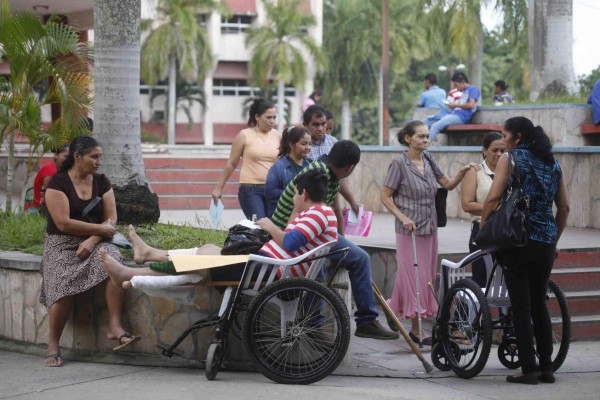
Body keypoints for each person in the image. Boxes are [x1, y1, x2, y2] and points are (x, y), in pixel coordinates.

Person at [100, 170, 338, 285]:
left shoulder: (317, 213)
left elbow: (290, 242)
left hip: (268, 270)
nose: (293, 197)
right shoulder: (318, 213)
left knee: (198, 264)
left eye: (296, 192)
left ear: (304, 193)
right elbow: (292, 240)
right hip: (266, 265)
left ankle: (131, 274)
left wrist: (268, 225)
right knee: (207, 248)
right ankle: (149, 254)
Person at [272, 140, 399, 340]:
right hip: (296, 231)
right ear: (350, 168)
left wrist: (347, 219)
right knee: (319, 264)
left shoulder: (327, 171)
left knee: (360, 258)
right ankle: (313, 324)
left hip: (312, 229)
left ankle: (366, 321)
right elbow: (307, 216)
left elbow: (336, 201)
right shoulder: (319, 174)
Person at [481, 117, 569, 384]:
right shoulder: (553, 163)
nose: (503, 140)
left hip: (518, 240)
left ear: (517, 138)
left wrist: (484, 226)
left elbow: (494, 197)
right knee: (539, 304)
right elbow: (564, 208)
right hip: (545, 242)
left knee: (520, 306)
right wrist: (553, 239)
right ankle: (547, 368)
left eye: (505, 136)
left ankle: (528, 370)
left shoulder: (512, 158)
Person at [40, 136, 138, 367]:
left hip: (94, 241)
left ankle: (115, 327)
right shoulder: (58, 184)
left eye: (100, 157)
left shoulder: (102, 181)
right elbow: (63, 223)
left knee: (113, 259)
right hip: (60, 244)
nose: (98, 162)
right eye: (94, 157)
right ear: (77, 157)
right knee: (62, 280)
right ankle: (53, 344)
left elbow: (111, 218)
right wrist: (101, 229)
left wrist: (94, 238)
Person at [380, 120, 478, 345]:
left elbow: (448, 184)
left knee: (425, 278)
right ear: (408, 139)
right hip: (409, 231)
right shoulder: (399, 164)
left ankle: (390, 305)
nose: (426, 140)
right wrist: (403, 217)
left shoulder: (429, 160)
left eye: (427, 136)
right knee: (413, 277)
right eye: (420, 136)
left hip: (430, 227)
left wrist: (463, 172)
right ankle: (417, 331)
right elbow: (385, 196)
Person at [212, 98, 280, 220]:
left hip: (273, 189)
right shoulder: (244, 135)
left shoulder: (278, 135)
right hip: (251, 190)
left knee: (273, 226)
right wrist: (219, 188)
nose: (272, 121)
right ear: (257, 117)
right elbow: (231, 163)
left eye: (274, 117)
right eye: (268, 117)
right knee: (258, 225)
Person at [460, 132, 504, 287]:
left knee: (506, 283)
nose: (499, 154)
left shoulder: (510, 171)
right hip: (482, 231)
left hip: (506, 232)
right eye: (495, 150)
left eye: (502, 151)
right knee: (481, 281)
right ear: (484, 150)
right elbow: (467, 204)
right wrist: (496, 208)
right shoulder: (475, 172)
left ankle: (507, 312)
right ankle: (477, 311)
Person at [265, 126, 312, 216]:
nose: (308, 147)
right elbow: (269, 192)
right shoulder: (278, 167)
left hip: (306, 215)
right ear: (292, 145)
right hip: (284, 216)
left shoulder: (311, 164)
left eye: (310, 144)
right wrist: (295, 194)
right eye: (304, 144)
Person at [429, 72, 480, 142]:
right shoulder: (464, 92)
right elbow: (461, 105)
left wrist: (455, 105)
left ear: (463, 82)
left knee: (435, 126)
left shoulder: (473, 89)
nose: (456, 88)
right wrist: (452, 106)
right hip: (453, 113)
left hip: (460, 117)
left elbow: (471, 105)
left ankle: (426, 148)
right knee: (428, 121)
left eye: (456, 85)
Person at [30, 144, 69, 210]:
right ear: (56, 155)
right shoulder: (50, 170)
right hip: (41, 208)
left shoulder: (59, 170)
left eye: (69, 157)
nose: (68, 160)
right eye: (65, 156)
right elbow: (51, 194)